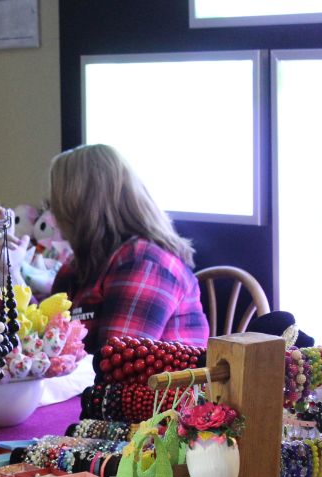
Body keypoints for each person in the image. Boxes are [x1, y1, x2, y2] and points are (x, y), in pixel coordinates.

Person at [47, 144, 208, 352]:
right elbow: (45, 342)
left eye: (56, 203)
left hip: (162, 377)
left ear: (76, 206)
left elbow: (115, 362)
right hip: (89, 374)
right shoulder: (76, 267)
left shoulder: (145, 263)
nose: (53, 213)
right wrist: (13, 275)